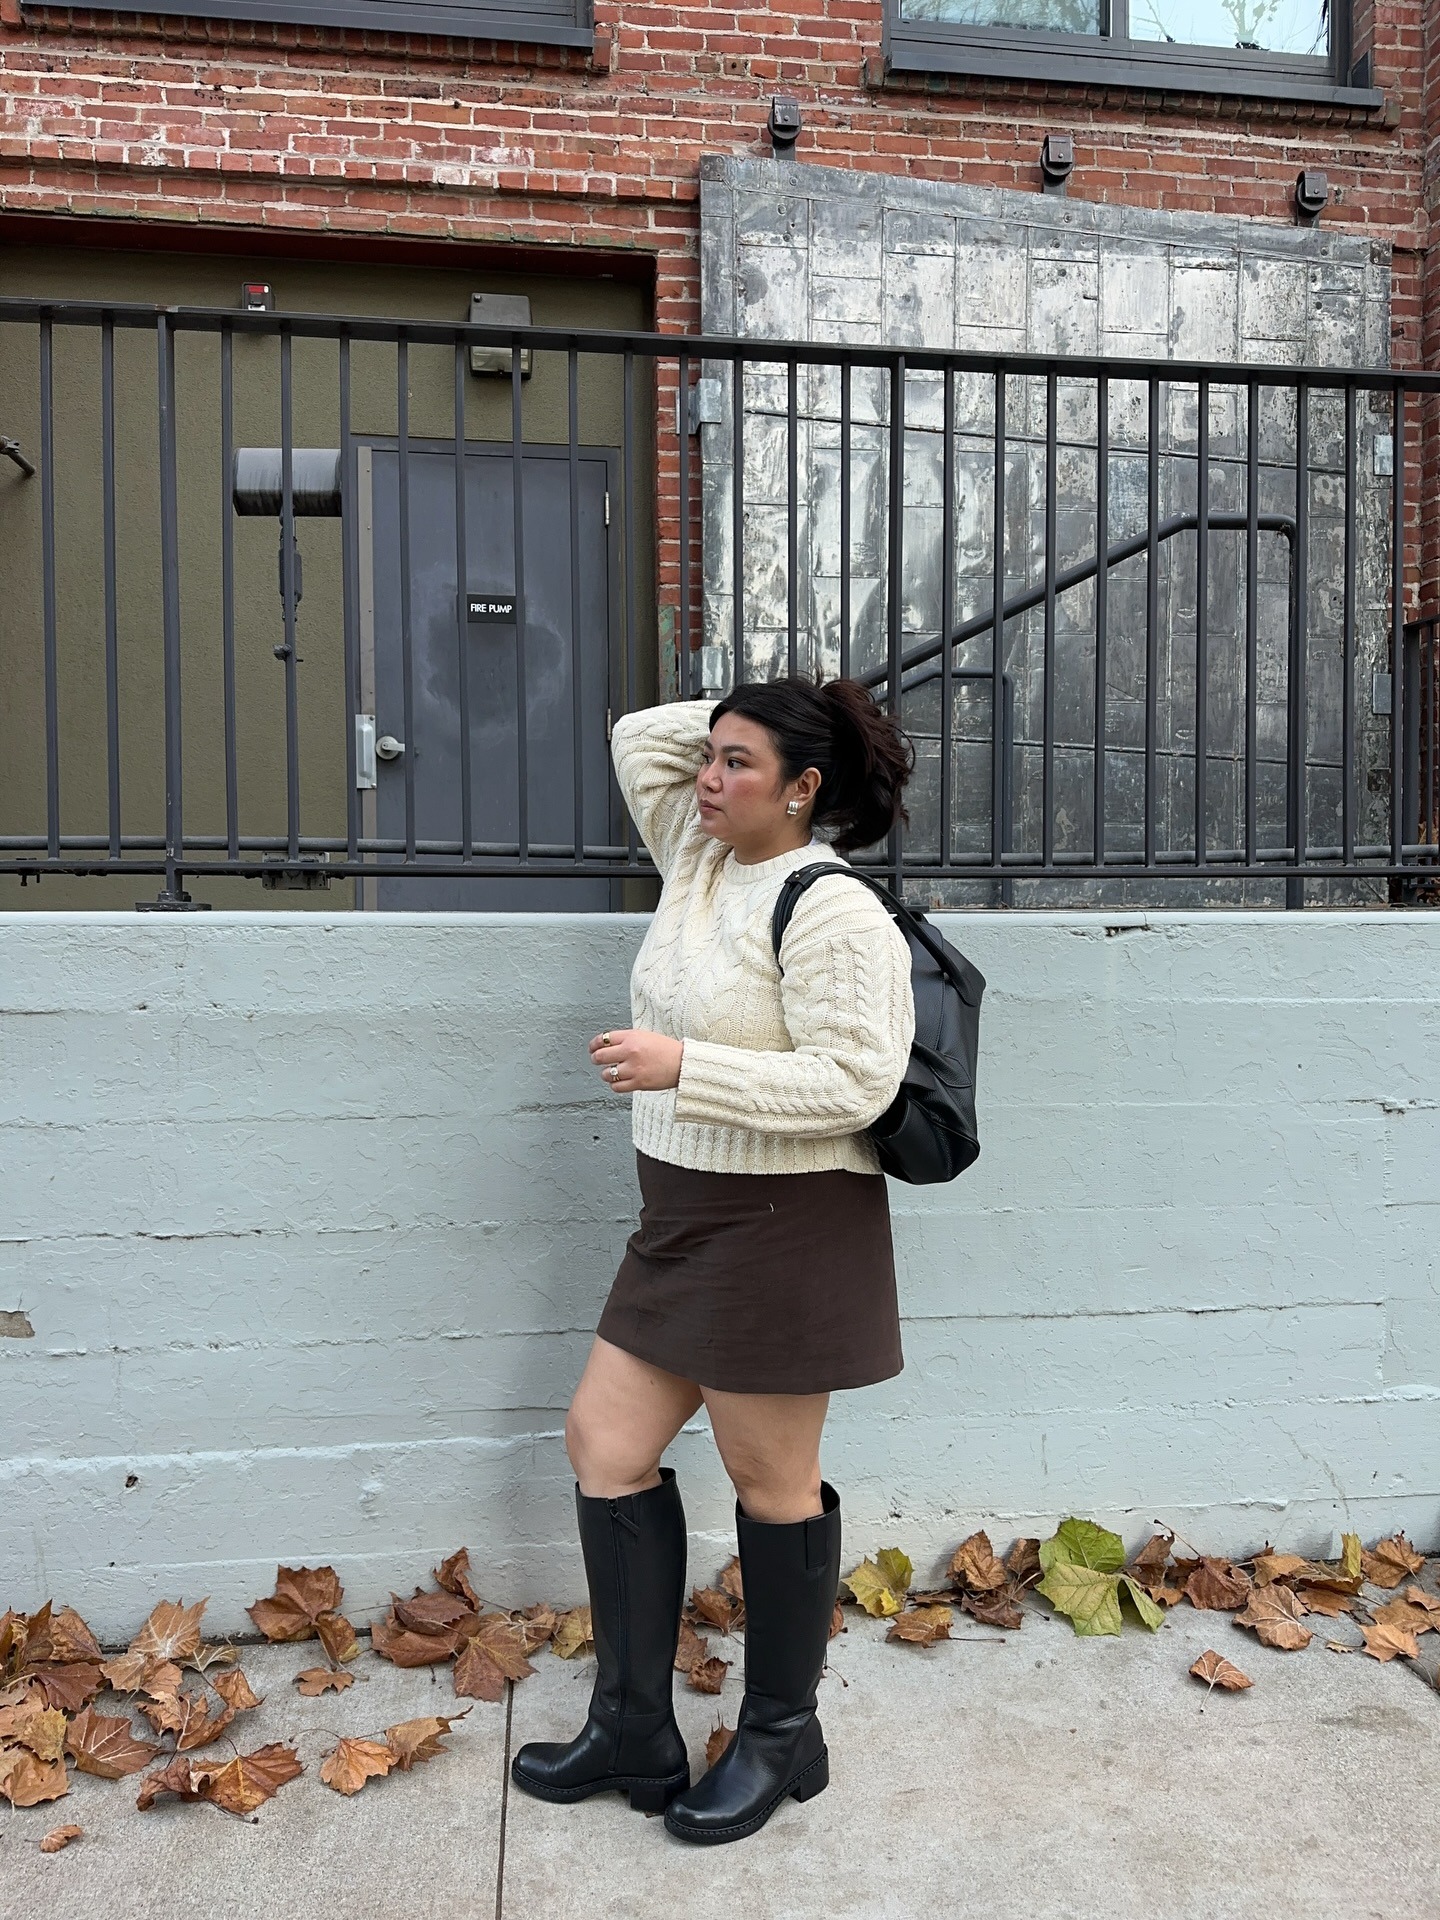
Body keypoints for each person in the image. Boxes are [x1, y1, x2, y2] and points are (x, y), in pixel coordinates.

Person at [510, 675, 916, 1846]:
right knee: (606, 1442)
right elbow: (641, 734)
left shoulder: (833, 908)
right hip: (682, 1219)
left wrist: (684, 1064)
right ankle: (635, 1726)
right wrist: (780, 712)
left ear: (806, 791)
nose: (707, 780)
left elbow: (857, 1082)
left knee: (770, 1487)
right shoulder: (698, 858)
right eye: (714, 757)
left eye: (742, 766)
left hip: (786, 1226)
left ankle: (783, 1737)